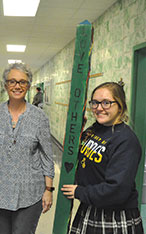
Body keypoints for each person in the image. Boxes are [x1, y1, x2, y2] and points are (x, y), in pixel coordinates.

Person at [0, 62, 55, 234]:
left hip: (30, 190)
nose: (17, 86)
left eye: (22, 82)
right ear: (5, 85)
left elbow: (47, 156)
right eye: (12, 81)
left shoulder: (39, 117)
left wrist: (48, 190)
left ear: (28, 86)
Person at [62, 81, 144, 233]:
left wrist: (80, 192)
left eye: (106, 103)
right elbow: (74, 156)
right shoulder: (94, 130)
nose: (99, 108)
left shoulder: (126, 140)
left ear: (120, 105)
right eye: (95, 103)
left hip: (114, 216)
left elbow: (117, 189)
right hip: (89, 208)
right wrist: (76, 131)